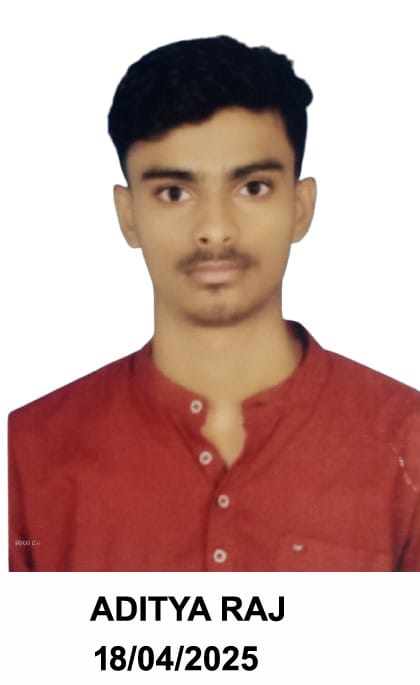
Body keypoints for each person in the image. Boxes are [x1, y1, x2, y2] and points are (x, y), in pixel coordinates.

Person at [8, 35, 420, 572]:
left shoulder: (408, 440)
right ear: (128, 216)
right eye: (174, 192)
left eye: (253, 187)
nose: (216, 229)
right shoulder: (28, 453)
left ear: (301, 208)